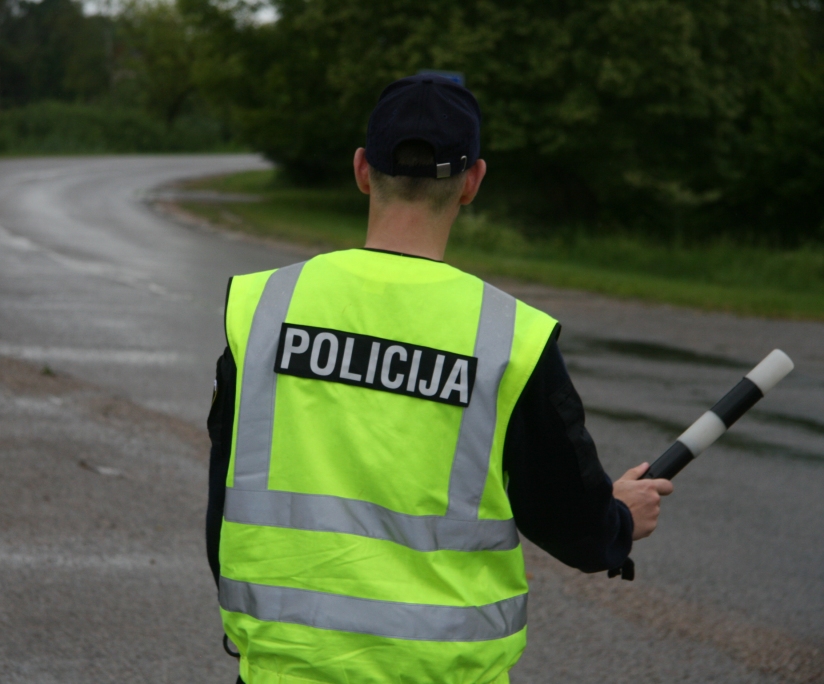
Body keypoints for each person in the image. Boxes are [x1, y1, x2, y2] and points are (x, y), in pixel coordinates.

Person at [205, 74, 673, 684]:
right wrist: (616, 519)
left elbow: (225, 503)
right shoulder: (509, 337)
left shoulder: (263, 307)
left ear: (362, 170)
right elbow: (572, 522)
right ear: (473, 181)